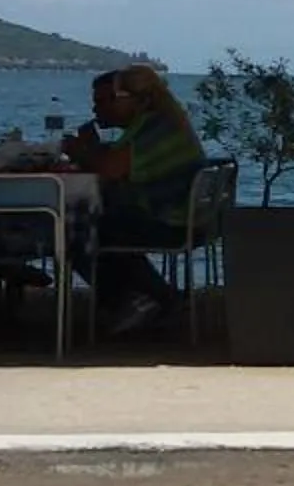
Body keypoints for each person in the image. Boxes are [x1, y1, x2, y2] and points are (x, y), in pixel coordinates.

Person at [65, 64, 205, 337]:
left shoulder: (156, 128)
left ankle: (132, 301)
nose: (97, 110)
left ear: (133, 100)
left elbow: (110, 169)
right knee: (95, 223)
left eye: (106, 101)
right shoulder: (158, 123)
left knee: (78, 231)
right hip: (180, 216)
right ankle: (154, 298)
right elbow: (119, 162)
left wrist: (82, 151)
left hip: (170, 220)